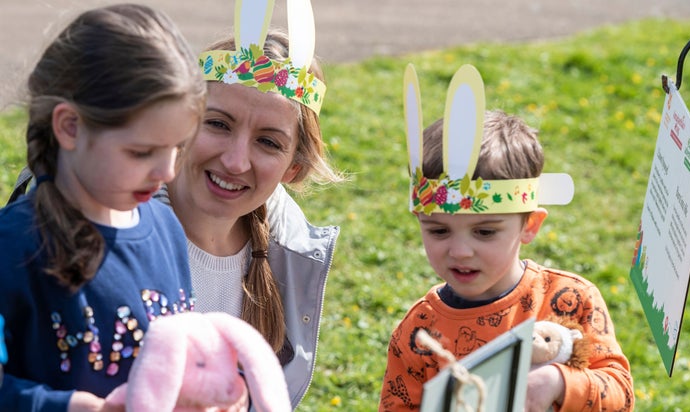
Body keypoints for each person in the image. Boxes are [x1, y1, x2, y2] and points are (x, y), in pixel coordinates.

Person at [379, 65, 633, 411]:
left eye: (484, 231)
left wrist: (558, 383)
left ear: (529, 225)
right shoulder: (419, 331)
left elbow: (620, 395)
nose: (460, 250)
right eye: (438, 230)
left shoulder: (571, 299)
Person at [0, 4, 206, 411]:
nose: (166, 171)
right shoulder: (13, 246)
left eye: (177, 148)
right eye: (141, 151)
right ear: (70, 127)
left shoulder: (166, 226)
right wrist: (70, 406)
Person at [155, 0, 343, 406]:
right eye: (219, 124)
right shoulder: (120, 230)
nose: (236, 161)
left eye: (268, 142)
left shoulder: (287, 259)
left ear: (293, 169)